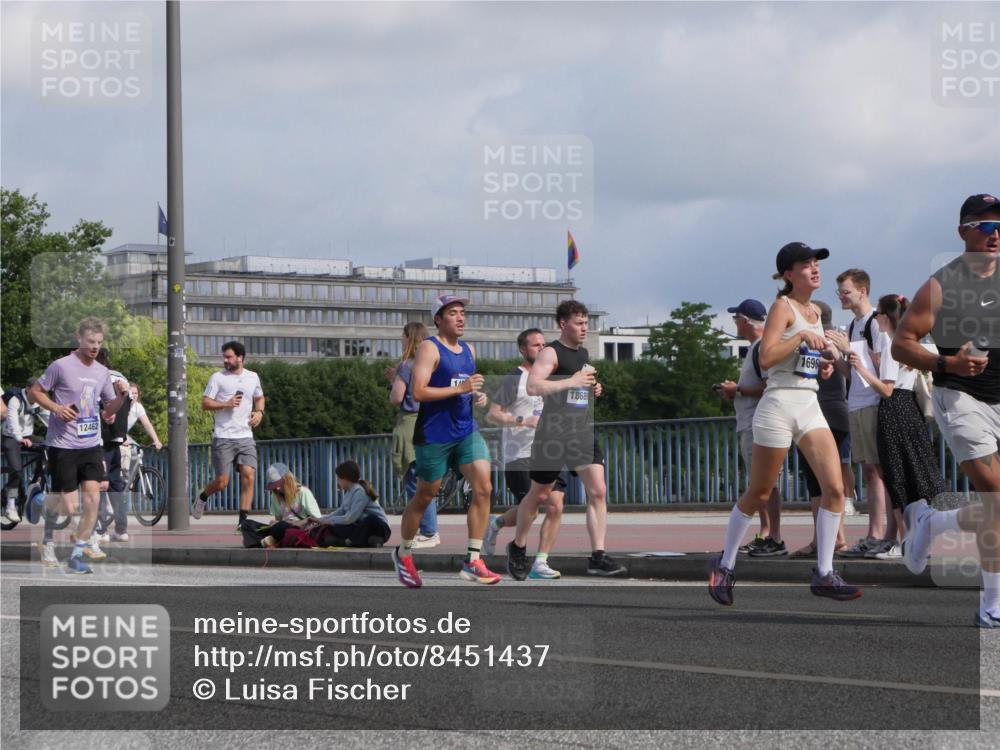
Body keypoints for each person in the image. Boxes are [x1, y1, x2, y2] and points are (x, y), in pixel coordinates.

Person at [708, 243, 861, 604]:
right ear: (787, 274)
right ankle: (725, 562)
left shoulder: (814, 312)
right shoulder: (782, 306)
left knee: (835, 489)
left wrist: (825, 360)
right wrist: (798, 338)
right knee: (760, 492)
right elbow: (767, 355)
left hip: (808, 403)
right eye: (805, 264)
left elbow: (803, 358)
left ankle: (824, 572)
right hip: (777, 404)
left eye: (816, 263)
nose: (814, 268)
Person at [893, 193, 1000, 628]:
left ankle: (932, 524)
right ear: (963, 232)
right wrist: (947, 363)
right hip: (962, 397)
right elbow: (903, 342)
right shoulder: (942, 285)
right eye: (985, 226)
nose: (995, 235)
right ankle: (992, 607)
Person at [507, 300, 627, 579]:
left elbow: (577, 387)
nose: (585, 328)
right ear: (563, 324)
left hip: (581, 432)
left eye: (587, 323)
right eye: (579, 323)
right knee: (538, 495)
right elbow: (534, 386)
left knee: (597, 490)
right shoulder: (550, 352)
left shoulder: (583, 352)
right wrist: (571, 382)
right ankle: (519, 545)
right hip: (553, 432)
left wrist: (592, 388)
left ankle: (598, 556)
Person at [391, 293, 501, 587]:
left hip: (466, 429)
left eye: (462, 312)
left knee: (484, 486)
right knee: (426, 494)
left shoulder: (469, 350)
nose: (460, 317)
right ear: (438, 319)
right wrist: (460, 388)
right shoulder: (430, 348)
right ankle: (403, 553)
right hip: (434, 435)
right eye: (452, 312)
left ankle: (473, 560)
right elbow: (419, 392)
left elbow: (466, 386)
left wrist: (476, 393)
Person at [27, 317, 130, 573]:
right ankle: (39, 499)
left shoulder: (102, 372)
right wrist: (57, 408)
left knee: (93, 500)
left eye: (98, 343)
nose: (94, 347)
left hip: (91, 444)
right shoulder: (61, 366)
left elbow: (109, 412)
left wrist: (120, 396)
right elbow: (35, 393)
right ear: (79, 339)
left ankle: (76, 554)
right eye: (90, 342)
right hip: (63, 445)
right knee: (69, 506)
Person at [852, 294, 947, 560]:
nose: (876, 319)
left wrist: (862, 367)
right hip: (909, 411)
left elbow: (886, 389)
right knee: (910, 471)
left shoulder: (893, 346)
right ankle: (913, 541)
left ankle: (906, 542)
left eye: (878, 314)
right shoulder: (908, 346)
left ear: (885, 317)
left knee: (897, 476)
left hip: (894, 411)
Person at [483, 328, 568, 579]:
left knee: (555, 504)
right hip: (519, 453)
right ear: (523, 349)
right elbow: (492, 414)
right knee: (532, 507)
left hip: (550, 450)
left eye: (544, 345)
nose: (541, 349)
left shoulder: (552, 377)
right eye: (535, 345)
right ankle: (497, 524)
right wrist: (522, 420)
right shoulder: (513, 379)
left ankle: (541, 562)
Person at [827, 268, 894, 558]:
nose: (842, 296)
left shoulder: (876, 323)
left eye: (846, 291)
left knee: (876, 470)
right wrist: (835, 357)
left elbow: (882, 373)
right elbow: (853, 374)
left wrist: (846, 353)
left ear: (862, 291)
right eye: (840, 292)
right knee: (869, 470)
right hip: (856, 401)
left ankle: (878, 534)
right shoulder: (854, 325)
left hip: (872, 403)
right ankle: (875, 534)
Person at [716, 299, 786, 557]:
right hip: (752, 422)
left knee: (766, 482)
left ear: (745, 321)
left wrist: (739, 390)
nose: (735, 323)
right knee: (761, 482)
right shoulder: (757, 348)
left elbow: (770, 385)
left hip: (759, 424)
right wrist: (737, 391)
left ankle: (774, 536)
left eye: (736, 319)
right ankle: (766, 532)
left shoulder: (761, 349)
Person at [792, 301, 852, 557]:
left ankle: (826, 539)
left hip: (817, 414)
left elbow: (802, 374)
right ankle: (833, 538)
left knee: (817, 482)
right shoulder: (838, 339)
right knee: (832, 480)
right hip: (839, 412)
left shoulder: (814, 340)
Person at [191, 341, 265, 532]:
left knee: (249, 475)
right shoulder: (218, 378)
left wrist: (260, 412)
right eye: (224, 356)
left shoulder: (252, 377)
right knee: (222, 482)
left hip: (245, 435)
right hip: (223, 436)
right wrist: (226, 403)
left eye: (229, 357)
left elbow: (259, 397)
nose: (225, 360)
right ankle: (202, 497)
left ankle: (243, 521)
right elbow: (205, 403)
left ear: (240, 358)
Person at [388, 321, 439, 548]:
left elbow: (397, 398)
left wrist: (394, 383)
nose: (400, 338)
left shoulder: (406, 366)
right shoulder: (433, 366)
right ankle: (426, 529)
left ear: (408, 338)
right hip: (432, 423)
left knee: (415, 480)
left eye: (402, 335)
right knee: (427, 479)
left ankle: (428, 531)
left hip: (410, 424)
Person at [92, 349, 132, 547]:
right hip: (118, 436)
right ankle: (122, 529)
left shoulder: (98, 378)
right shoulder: (121, 377)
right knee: (116, 484)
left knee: (98, 483)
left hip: (99, 437)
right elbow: (129, 402)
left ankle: (101, 530)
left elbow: (101, 408)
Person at [304, 460, 392, 548]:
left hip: (380, 528)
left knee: (370, 519)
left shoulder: (360, 491)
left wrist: (330, 521)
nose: (338, 481)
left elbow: (350, 518)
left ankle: (348, 542)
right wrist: (322, 519)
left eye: (339, 478)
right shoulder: (349, 492)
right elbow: (341, 511)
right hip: (360, 526)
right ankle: (372, 541)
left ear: (346, 478)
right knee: (336, 527)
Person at [2, 378, 45, 523]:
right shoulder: (16, 400)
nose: (39, 393)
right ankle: (10, 505)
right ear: (28, 388)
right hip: (10, 436)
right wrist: (19, 437)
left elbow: (49, 418)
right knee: (17, 471)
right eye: (36, 390)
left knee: (49, 447)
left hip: (27, 436)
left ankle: (35, 481)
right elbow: (12, 421)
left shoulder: (39, 401)